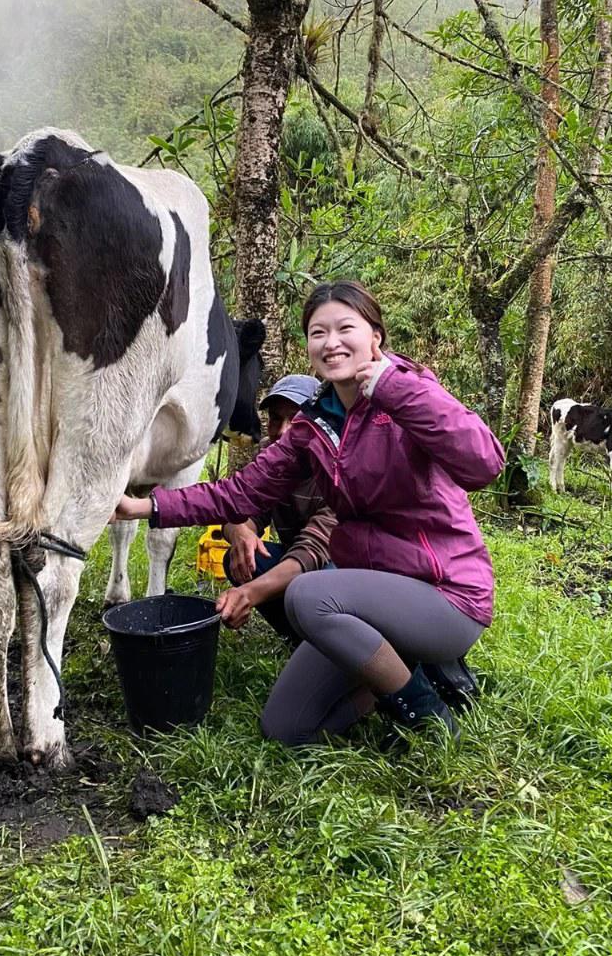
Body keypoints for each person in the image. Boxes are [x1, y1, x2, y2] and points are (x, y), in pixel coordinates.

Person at [115, 281, 505, 747]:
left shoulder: (410, 390)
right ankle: (400, 676)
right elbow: (240, 493)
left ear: (375, 335)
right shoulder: (313, 425)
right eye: (318, 332)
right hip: (371, 597)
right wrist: (142, 505)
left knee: (306, 594)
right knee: (287, 727)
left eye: (346, 328)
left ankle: (428, 715)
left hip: (445, 595)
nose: (331, 342)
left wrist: (393, 388)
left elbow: (484, 463)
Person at [218, 373, 336, 646]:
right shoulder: (271, 455)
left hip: (341, 570)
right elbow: (238, 507)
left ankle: (336, 645)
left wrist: (250, 593)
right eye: (275, 418)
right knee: (241, 559)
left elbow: (314, 548)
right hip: (299, 564)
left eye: (295, 419)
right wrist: (240, 533)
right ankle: (299, 639)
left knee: (315, 585)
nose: (283, 430)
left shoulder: (339, 464)